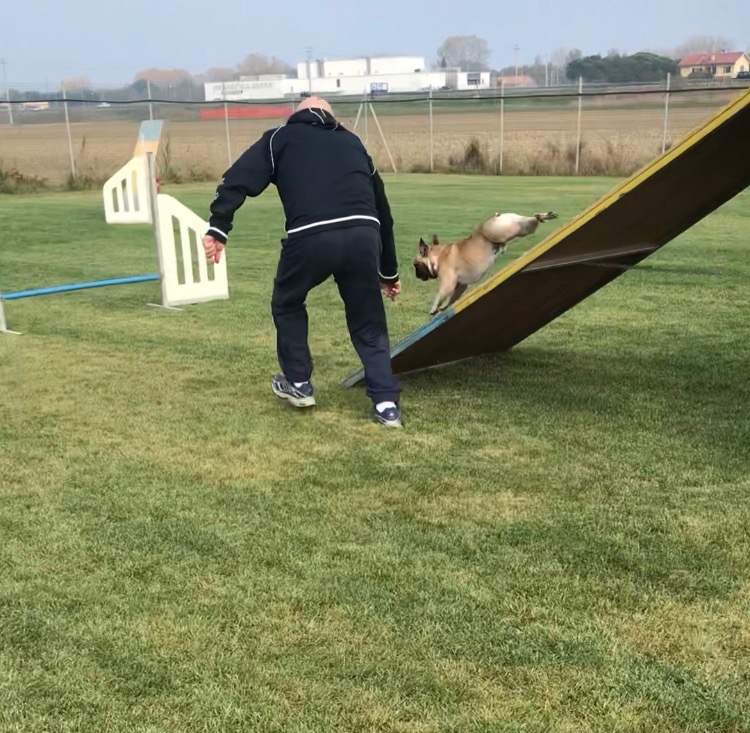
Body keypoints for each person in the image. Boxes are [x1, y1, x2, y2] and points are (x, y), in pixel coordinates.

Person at [202, 95, 403, 428]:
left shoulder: (279, 138)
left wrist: (218, 227)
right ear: (331, 117)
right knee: (367, 318)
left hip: (310, 238)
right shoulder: (353, 142)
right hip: (362, 235)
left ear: (296, 115)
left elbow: (238, 179)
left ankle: (298, 382)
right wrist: (388, 272)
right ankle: (386, 404)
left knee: (287, 301)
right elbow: (383, 210)